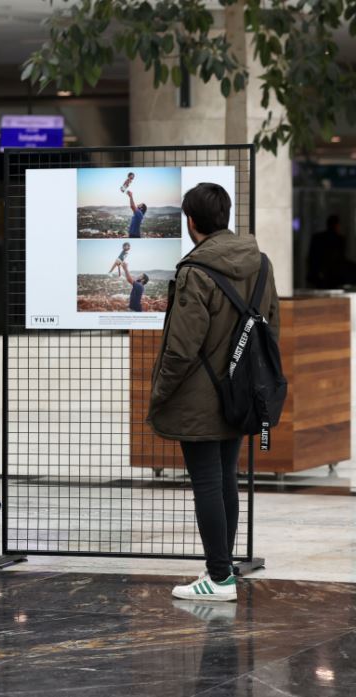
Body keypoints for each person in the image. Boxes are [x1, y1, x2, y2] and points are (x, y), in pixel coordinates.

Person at [147, 183, 279, 603]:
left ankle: (219, 577)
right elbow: (269, 325)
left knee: (207, 482)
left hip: (199, 397)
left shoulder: (194, 272)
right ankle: (222, 572)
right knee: (226, 481)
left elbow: (182, 346)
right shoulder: (261, 263)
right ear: (224, 216)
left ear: (191, 221)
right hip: (243, 391)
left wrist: (160, 393)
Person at [307, 214, 352, 288]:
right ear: (337, 225)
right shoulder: (339, 240)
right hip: (330, 276)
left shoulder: (318, 238)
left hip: (324, 276)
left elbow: (311, 258)